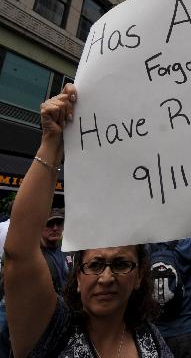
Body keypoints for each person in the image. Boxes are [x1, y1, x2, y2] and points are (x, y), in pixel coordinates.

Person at [3, 84, 172, 357]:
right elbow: (18, 252)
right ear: (78, 276)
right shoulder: (51, 330)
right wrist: (51, 143)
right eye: (94, 264)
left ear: (140, 275)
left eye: (121, 264)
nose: (106, 278)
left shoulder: (151, 340)